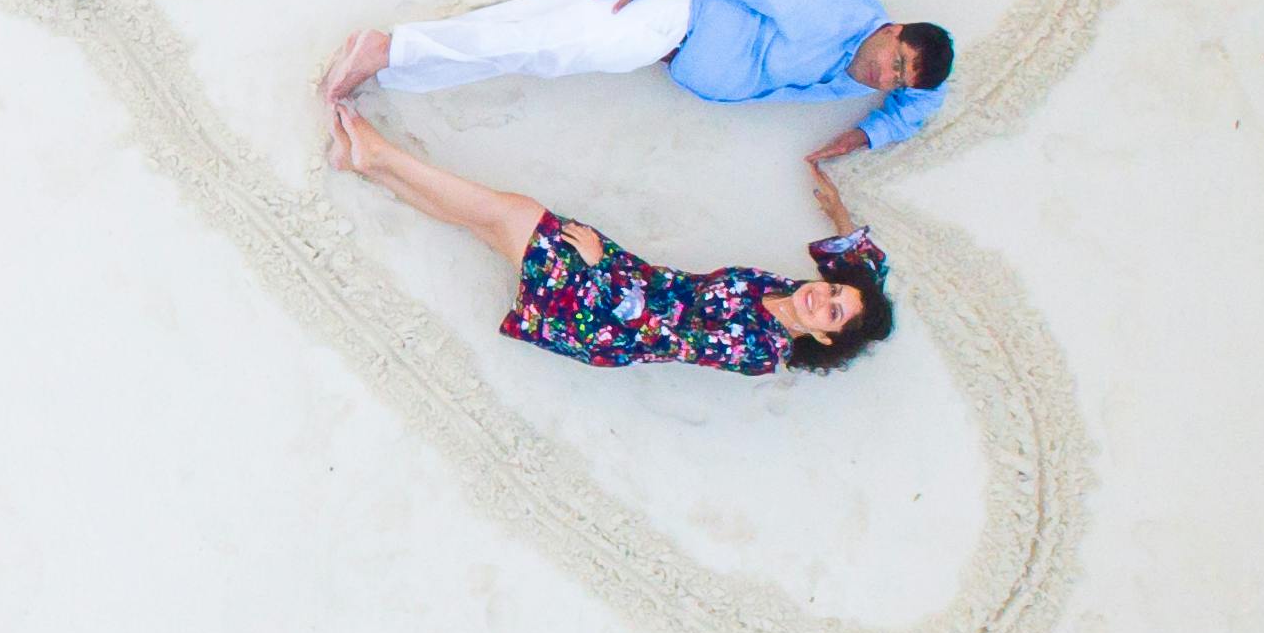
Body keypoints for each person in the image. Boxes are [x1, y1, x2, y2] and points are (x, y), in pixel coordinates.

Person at [326, 106, 894, 375]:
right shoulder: (790, 291)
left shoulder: (759, 351)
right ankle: (367, 166)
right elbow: (869, 265)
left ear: (823, 337)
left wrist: (599, 267)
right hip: (630, 277)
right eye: (833, 291)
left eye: (834, 312)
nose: (824, 297)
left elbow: (665, 333)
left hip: (608, 320)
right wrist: (839, 212)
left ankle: (377, 155)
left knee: (513, 215)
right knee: (490, 224)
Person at [321, 0, 954, 169]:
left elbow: (927, 96)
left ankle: (394, 52)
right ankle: (386, 50)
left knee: (528, 30)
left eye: (897, 79)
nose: (885, 76)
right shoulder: (828, 15)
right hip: (672, 9)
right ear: (891, 29)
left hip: (668, 36)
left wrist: (870, 134)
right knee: (541, 46)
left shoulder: (872, 76)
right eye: (894, 60)